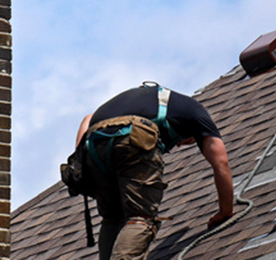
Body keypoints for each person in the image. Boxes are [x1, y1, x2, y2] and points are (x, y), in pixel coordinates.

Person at [73, 82, 233, 260]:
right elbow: (221, 162)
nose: (179, 145)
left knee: (112, 218)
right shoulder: (196, 112)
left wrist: (80, 160)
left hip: (94, 145)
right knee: (140, 217)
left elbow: (88, 118)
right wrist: (225, 211)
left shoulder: (146, 99)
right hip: (129, 137)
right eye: (188, 141)